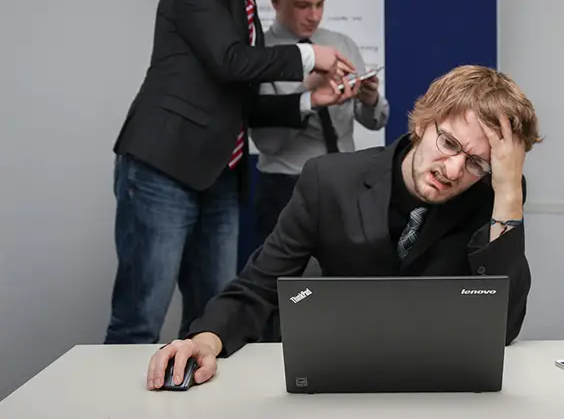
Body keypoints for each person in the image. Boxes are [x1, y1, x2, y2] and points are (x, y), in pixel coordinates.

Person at [146, 65, 542, 390]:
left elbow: (502, 328)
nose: (454, 170)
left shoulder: (494, 197)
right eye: (450, 144)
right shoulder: (329, 181)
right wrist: (204, 340)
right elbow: (259, 285)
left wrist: (508, 191)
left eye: (478, 164)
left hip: (435, 385)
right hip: (334, 378)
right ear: (424, 123)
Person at [105, 0, 357, 345]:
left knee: (211, 320)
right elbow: (229, 62)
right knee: (140, 317)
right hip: (165, 170)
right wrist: (313, 56)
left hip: (221, 178)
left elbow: (244, 100)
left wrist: (311, 100)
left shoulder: (246, 14)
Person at [247, 0, 390, 276]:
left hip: (349, 185)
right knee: (281, 291)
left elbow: (376, 121)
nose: (313, 15)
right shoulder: (260, 55)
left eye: (320, 4)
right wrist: (306, 93)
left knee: (352, 285)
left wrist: (369, 100)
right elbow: (268, 144)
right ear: (276, 2)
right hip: (286, 187)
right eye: (302, 6)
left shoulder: (341, 44)